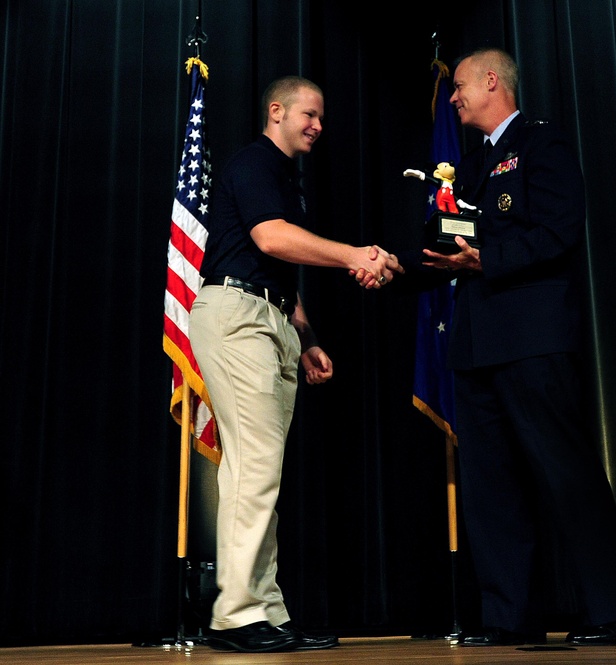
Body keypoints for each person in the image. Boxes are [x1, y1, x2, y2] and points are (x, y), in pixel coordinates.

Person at [380, 47, 616, 646]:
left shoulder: (542, 144)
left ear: (493, 82)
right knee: (489, 485)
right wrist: (391, 265)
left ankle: (614, 612)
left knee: (565, 472)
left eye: (462, 87)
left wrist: (487, 258)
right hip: (476, 348)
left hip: (531, 341)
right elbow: (449, 247)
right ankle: (509, 618)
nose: (453, 97)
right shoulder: (473, 166)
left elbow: (558, 231)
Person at [189, 75, 402, 653]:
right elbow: (271, 240)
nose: (318, 126)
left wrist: (304, 336)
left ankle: (265, 610)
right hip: (237, 317)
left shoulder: (285, 177)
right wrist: (357, 255)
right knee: (254, 470)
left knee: (259, 473)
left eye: (323, 118)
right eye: (309, 114)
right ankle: (236, 615)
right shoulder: (255, 163)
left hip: (270, 318)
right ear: (276, 110)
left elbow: (276, 274)